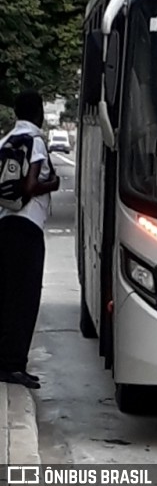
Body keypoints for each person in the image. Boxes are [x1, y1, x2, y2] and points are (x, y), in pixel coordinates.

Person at [0, 90, 60, 389]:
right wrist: (54, 184)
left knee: (7, 296)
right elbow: (31, 185)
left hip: (5, 224)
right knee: (26, 299)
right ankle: (15, 365)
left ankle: (4, 363)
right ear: (39, 112)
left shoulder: (7, 141)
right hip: (28, 227)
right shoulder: (35, 141)